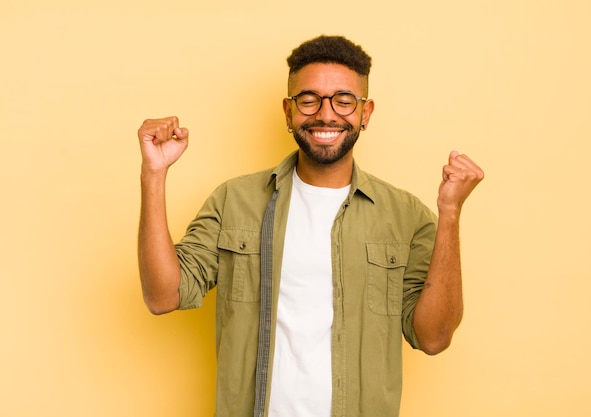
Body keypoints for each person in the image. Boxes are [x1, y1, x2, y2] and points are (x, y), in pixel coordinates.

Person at [137, 35, 484, 417]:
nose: (326, 114)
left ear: (365, 113)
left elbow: (433, 338)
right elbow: (162, 296)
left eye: (344, 100)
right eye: (309, 99)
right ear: (288, 112)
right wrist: (154, 174)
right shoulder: (233, 201)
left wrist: (450, 213)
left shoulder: (407, 217)